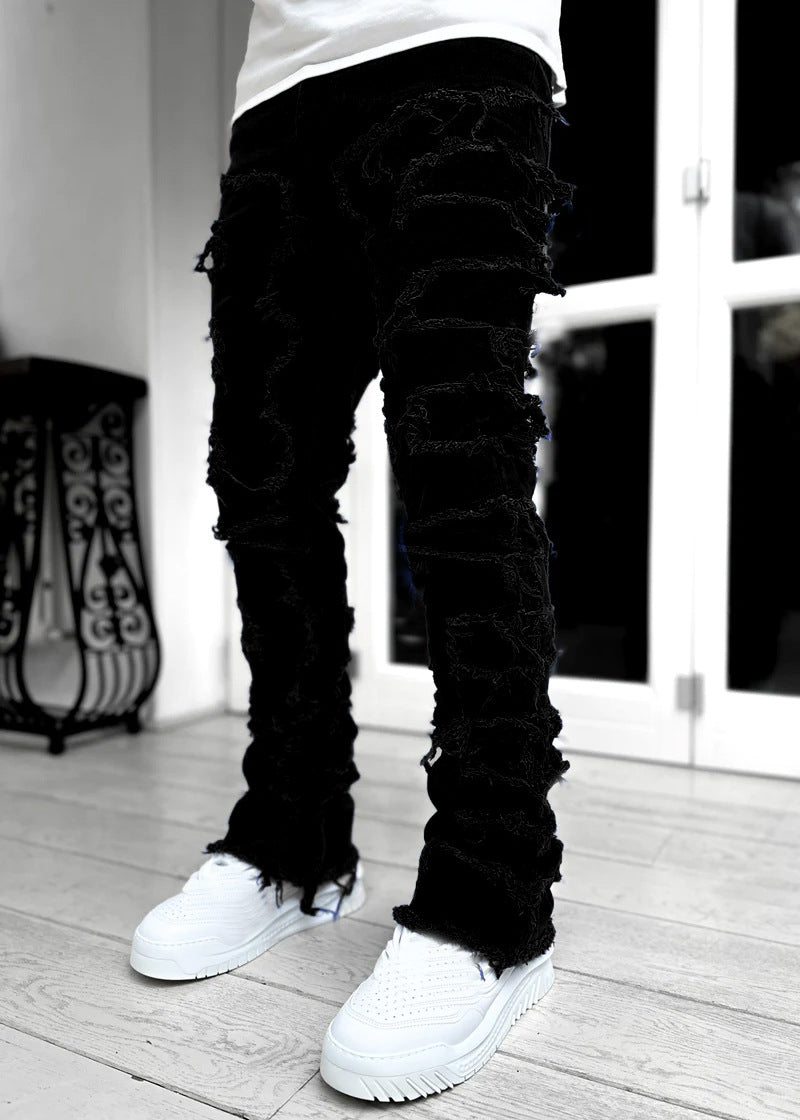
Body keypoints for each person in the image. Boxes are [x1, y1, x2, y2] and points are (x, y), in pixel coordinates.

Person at [130, 0, 573, 1102]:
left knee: (461, 481)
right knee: (262, 485)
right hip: (276, 97)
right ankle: (296, 839)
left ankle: (494, 890)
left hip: (459, 47)